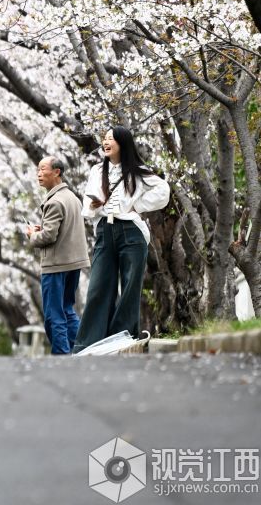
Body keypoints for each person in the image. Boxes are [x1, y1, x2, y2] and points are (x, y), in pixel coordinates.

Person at [73, 126, 171, 353]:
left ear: (122, 143)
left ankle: (121, 339)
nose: (106, 142)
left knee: (130, 287)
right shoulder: (98, 170)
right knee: (98, 287)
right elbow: (87, 204)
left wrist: (136, 206)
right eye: (105, 139)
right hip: (104, 231)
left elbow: (163, 191)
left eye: (111, 139)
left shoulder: (137, 171)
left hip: (131, 231)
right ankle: (88, 344)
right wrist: (95, 205)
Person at [26, 156, 90, 355]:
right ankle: (80, 351)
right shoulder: (72, 198)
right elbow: (64, 230)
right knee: (67, 309)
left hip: (56, 265)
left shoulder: (54, 202)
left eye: (43, 169)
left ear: (57, 172)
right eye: (38, 169)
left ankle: (61, 356)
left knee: (54, 315)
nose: (39, 174)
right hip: (73, 263)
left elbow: (49, 236)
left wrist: (33, 235)